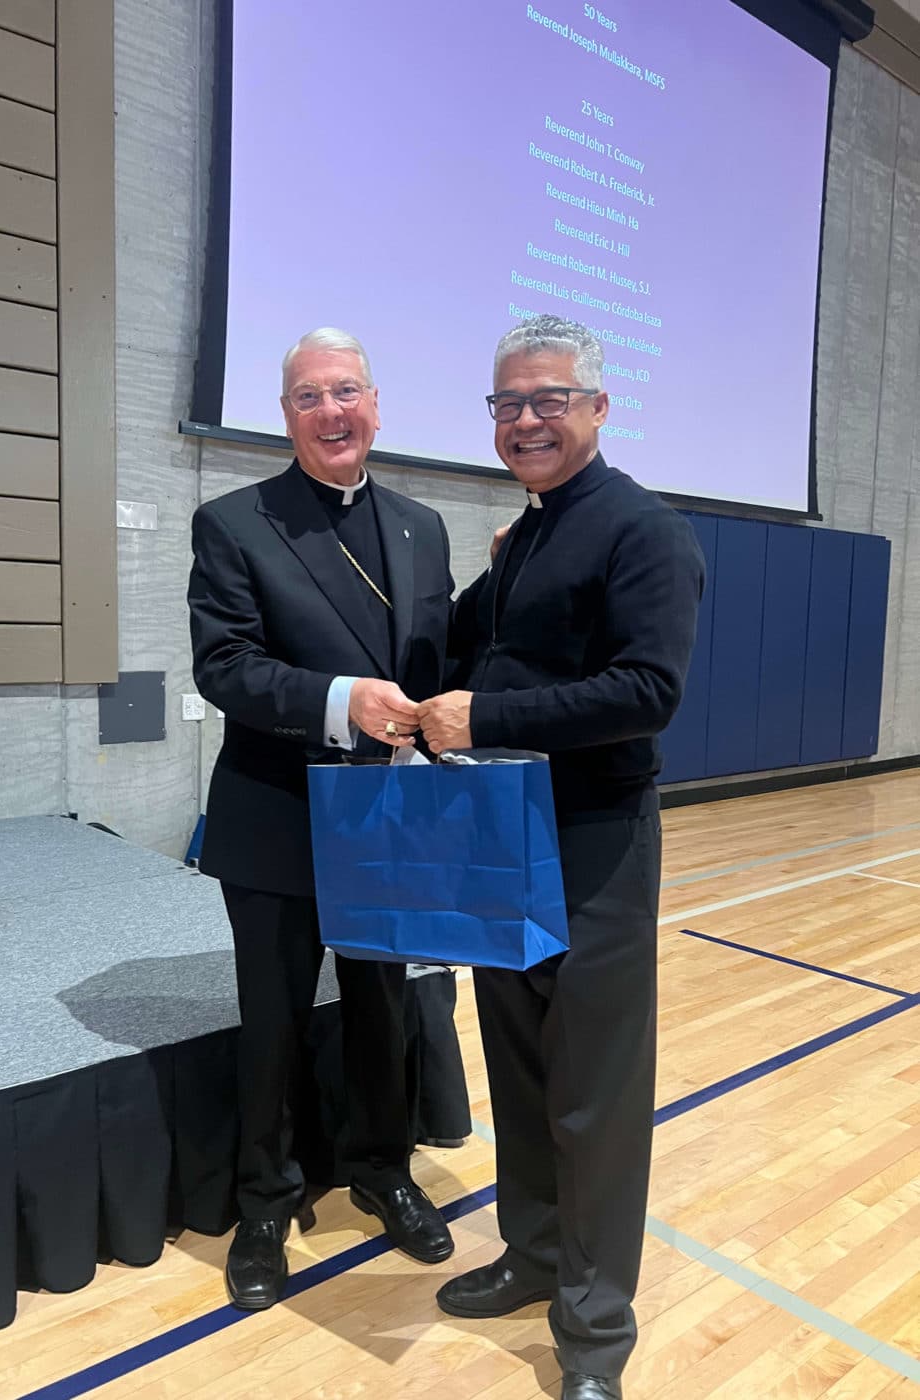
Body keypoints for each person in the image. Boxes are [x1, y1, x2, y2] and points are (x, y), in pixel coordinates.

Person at [419, 315, 704, 1400]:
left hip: (594, 841)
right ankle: (535, 1257)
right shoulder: (528, 533)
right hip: (505, 832)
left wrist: (481, 711)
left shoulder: (644, 531)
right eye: (507, 403)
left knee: (595, 1094)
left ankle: (594, 1334)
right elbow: (465, 642)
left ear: (596, 406)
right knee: (524, 1066)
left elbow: (646, 693)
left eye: (547, 399)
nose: (526, 418)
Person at [187, 327, 455, 1311]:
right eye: (310, 395)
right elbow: (226, 665)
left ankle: (384, 1165)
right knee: (274, 1016)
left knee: (386, 1003)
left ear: (376, 406)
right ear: (287, 413)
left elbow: (440, 657)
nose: (332, 411)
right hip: (277, 811)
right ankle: (265, 1199)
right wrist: (344, 698)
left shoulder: (425, 525)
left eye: (347, 391)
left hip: (385, 814)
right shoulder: (234, 521)